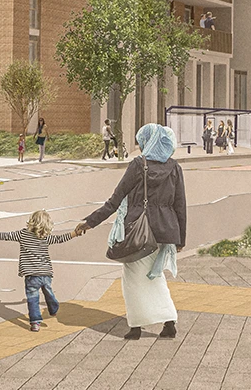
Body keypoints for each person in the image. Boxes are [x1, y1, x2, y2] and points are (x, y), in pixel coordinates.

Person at [75, 124, 187, 340]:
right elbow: (180, 205)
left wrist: (90, 222)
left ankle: (136, 327)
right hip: (166, 231)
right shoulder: (174, 167)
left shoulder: (138, 165)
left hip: (139, 230)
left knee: (133, 279)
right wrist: (180, 239)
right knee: (156, 277)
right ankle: (169, 322)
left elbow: (115, 200)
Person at [0, 210, 82, 331]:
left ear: (32, 221)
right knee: (48, 291)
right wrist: (75, 233)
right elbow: (60, 239)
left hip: (31, 275)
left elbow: (7, 236)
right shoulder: (45, 237)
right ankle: (53, 308)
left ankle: (35, 322)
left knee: (32, 298)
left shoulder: (23, 234)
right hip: (45, 273)